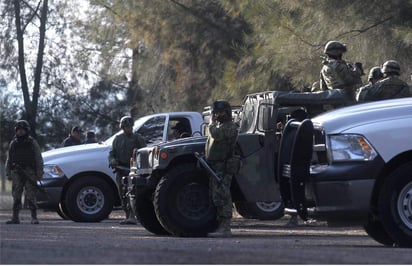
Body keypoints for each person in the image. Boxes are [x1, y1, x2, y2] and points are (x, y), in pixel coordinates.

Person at [205, 100, 239, 237]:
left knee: (223, 195)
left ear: (227, 113)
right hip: (216, 165)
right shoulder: (221, 126)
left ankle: (226, 228)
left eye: (220, 112)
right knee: (216, 195)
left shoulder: (229, 127)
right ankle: (220, 226)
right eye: (216, 113)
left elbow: (215, 134)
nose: (218, 115)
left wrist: (211, 121)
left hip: (224, 166)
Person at [108, 116, 146, 225]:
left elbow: (144, 152)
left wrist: (137, 152)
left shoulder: (138, 138)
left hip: (132, 170)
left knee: (132, 193)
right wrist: (113, 160)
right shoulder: (118, 139)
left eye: (130, 126)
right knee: (122, 193)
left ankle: (134, 216)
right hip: (120, 169)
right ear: (123, 127)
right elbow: (111, 153)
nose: (129, 128)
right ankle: (127, 215)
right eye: (126, 127)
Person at [5, 120, 44, 224]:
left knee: (31, 195)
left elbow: (38, 158)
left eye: (23, 130)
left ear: (26, 130)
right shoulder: (13, 143)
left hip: (29, 172)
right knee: (16, 195)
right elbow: (9, 159)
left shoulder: (32, 143)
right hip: (16, 172)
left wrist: (39, 173)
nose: (21, 132)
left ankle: (34, 217)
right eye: (19, 130)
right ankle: (15, 218)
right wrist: (8, 172)